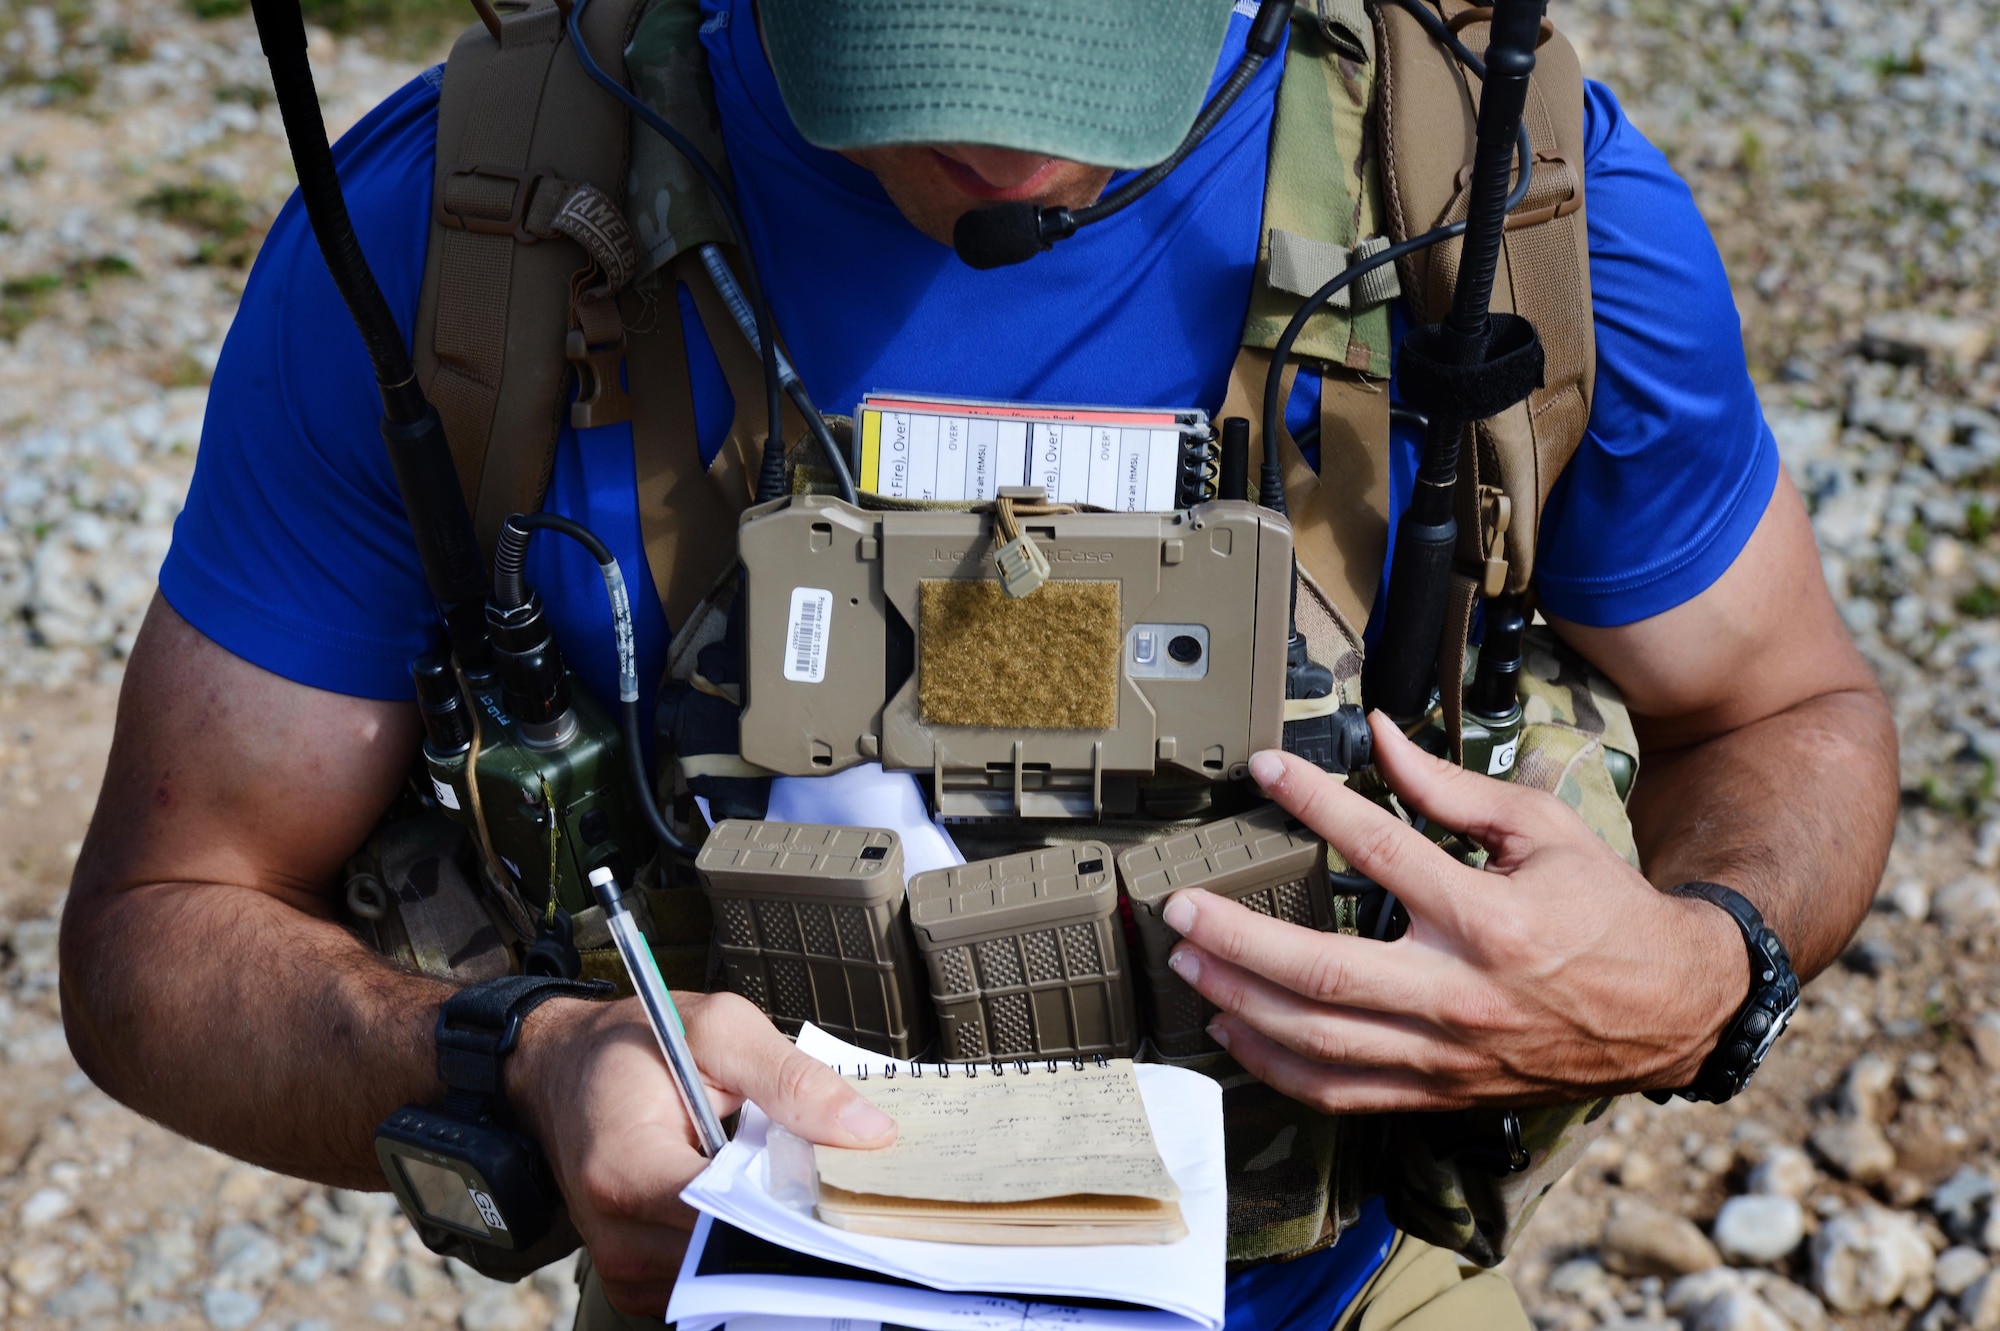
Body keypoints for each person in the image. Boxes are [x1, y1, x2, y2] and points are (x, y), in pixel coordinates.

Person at [59, 0, 1898, 1327]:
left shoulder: (1507, 211)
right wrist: (524, 1061)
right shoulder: (459, 239)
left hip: (1349, 1288)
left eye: (1095, 52)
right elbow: (159, 926)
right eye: (918, 51)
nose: (1011, 148)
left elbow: (1788, 710)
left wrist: (1693, 966)